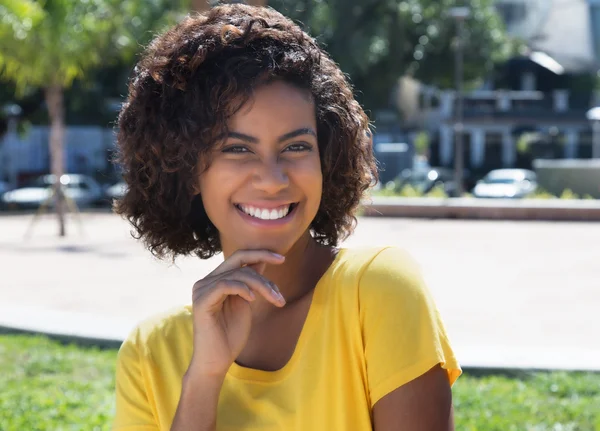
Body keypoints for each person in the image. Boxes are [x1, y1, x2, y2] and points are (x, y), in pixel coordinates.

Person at [112, 4, 461, 431]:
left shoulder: (378, 289)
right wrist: (203, 378)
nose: (273, 180)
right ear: (185, 170)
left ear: (325, 157)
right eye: (237, 149)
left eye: (296, 147)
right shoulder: (150, 352)